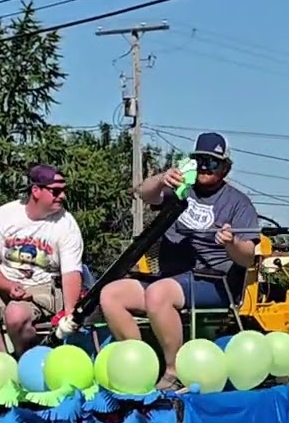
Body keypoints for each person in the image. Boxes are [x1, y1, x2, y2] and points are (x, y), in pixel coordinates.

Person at [99, 132, 261, 391]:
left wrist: (231, 243)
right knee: (111, 295)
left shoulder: (238, 203)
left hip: (213, 281)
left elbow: (248, 257)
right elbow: (143, 193)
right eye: (200, 161)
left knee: (157, 294)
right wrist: (162, 179)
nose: (205, 167)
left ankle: (175, 371)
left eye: (213, 162)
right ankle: (140, 366)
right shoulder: (180, 189)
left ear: (226, 168)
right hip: (169, 278)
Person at [0, 164, 85, 355]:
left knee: (15, 314)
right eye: (56, 191)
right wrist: (8, 286)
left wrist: (70, 316)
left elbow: (71, 273)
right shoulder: (4, 215)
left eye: (64, 190)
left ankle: (27, 361)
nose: (62, 196)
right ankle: (4, 363)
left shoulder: (66, 225)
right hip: (4, 284)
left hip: (42, 288)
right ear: (36, 191)